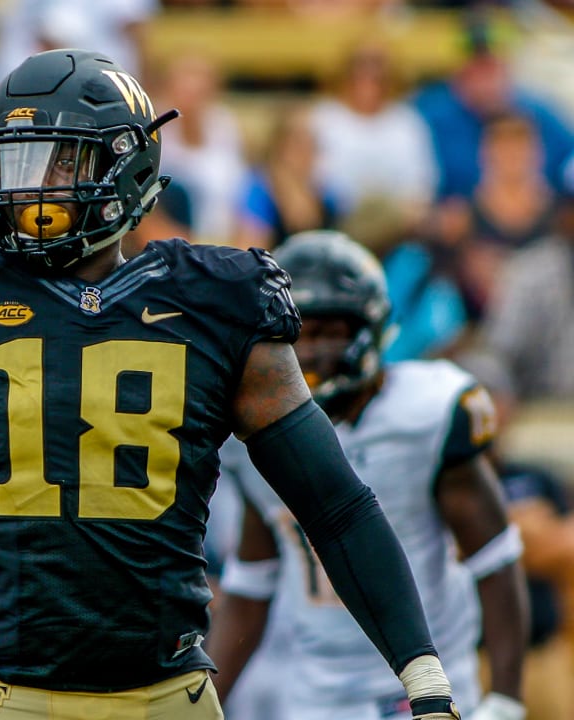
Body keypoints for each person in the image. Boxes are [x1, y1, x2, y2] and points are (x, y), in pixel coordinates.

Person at [0, 17, 465, 719]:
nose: (27, 188)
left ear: (127, 169)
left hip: (164, 691)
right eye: (13, 161)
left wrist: (422, 675)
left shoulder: (217, 299)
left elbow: (333, 504)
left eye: (56, 162)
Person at [205, 231, 528, 720]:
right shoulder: (250, 434)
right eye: (296, 333)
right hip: (316, 693)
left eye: (328, 330)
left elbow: (496, 559)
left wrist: (505, 697)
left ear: (371, 328)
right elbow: (251, 585)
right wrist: (205, 701)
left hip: (427, 685)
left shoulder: (427, 414)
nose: (309, 351)